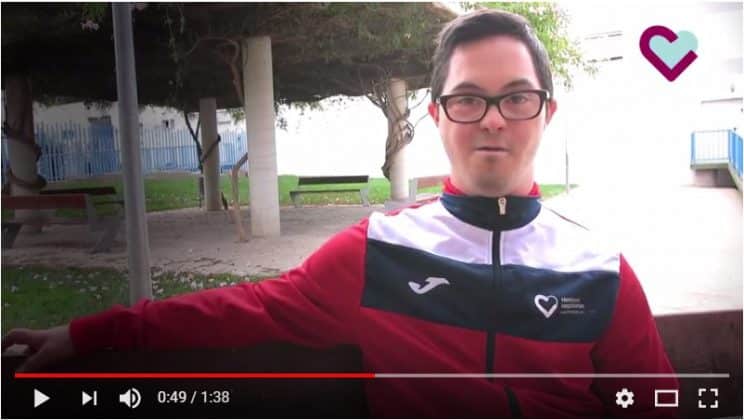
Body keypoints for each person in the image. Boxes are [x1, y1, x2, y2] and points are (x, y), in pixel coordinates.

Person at [2, 9, 677, 418]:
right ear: (438, 116)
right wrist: (89, 333)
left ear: (546, 113)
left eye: (517, 98)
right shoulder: (377, 253)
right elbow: (245, 309)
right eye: (469, 98)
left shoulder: (602, 274)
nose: (493, 119)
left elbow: (657, 407)